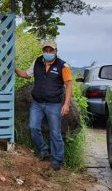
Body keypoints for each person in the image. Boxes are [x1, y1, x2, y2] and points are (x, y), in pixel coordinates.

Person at [15, 41, 72, 171]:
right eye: (46, 50)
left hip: (54, 104)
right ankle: (43, 150)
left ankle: (57, 160)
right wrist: (14, 68)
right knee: (33, 127)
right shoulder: (37, 62)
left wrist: (66, 104)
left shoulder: (63, 66)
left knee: (55, 133)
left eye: (50, 50)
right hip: (37, 103)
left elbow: (68, 85)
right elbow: (26, 75)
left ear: (56, 51)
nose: (48, 53)